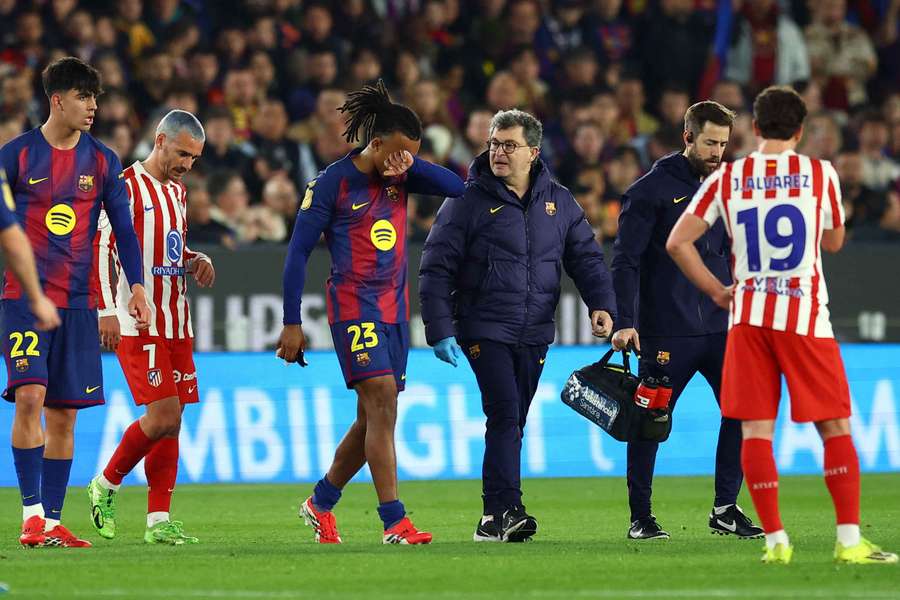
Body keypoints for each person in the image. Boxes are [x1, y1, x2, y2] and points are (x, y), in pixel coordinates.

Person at [667, 85, 898, 565]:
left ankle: (775, 544)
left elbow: (678, 242)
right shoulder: (820, 173)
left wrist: (716, 291)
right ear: (800, 130)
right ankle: (850, 541)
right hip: (805, 318)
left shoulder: (728, 178)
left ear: (753, 128)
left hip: (748, 317)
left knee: (755, 430)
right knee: (834, 427)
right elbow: (833, 242)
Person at [277, 79, 465, 545]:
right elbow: (297, 253)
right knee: (380, 399)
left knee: (373, 417)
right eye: (396, 153)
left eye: (411, 156)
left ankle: (320, 502)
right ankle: (393, 521)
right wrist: (292, 321)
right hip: (353, 305)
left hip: (394, 310)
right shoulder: (331, 184)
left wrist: (410, 164)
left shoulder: (401, 173)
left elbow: (457, 187)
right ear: (375, 143)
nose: (402, 164)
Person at [419, 109, 616, 543]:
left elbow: (585, 257)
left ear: (533, 151)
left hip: (535, 330)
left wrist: (602, 303)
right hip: (483, 327)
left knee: (513, 421)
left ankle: (492, 519)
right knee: (505, 412)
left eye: (509, 145)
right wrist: (440, 327)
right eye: (494, 143)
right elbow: (436, 267)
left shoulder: (559, 201)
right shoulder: (465, 200)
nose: (499, 153)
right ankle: (509, 508)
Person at [0, 57, 150, 548]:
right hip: (24, 297)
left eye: (96, 97)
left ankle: (52, 523)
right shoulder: (16, 156)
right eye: (84, 97)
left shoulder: (104, 160)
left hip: (80, 303)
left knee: (64, 415)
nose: (93, 106)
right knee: (29, 396)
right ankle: (31, 514)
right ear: (57, 99)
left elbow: (124, 230)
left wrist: (139, 287)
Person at [610, 101, 764, 541]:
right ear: (688, 137)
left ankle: (725, 507)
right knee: (649, 424)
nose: (718, 151)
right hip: (666, 329)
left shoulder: (730, 184)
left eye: (724, 143)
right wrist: (625, 320)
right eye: (711, 142)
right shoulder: (650, 191)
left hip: (720, 327)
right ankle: (641, 517)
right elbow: (625, 260)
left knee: (741, 409)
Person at [86, 110, 214, 546]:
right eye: (182, 153)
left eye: (194, 158)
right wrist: (106, 309)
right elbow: (104, 247)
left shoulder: (177, 191)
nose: (187, 164)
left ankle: (159, 519)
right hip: (138, 321)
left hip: (177, 319)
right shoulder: (124, 186)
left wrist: (194, 259)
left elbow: (164, 246)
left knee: (173, 421)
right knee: (162, 414)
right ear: (159, 140)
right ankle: (105, 484)